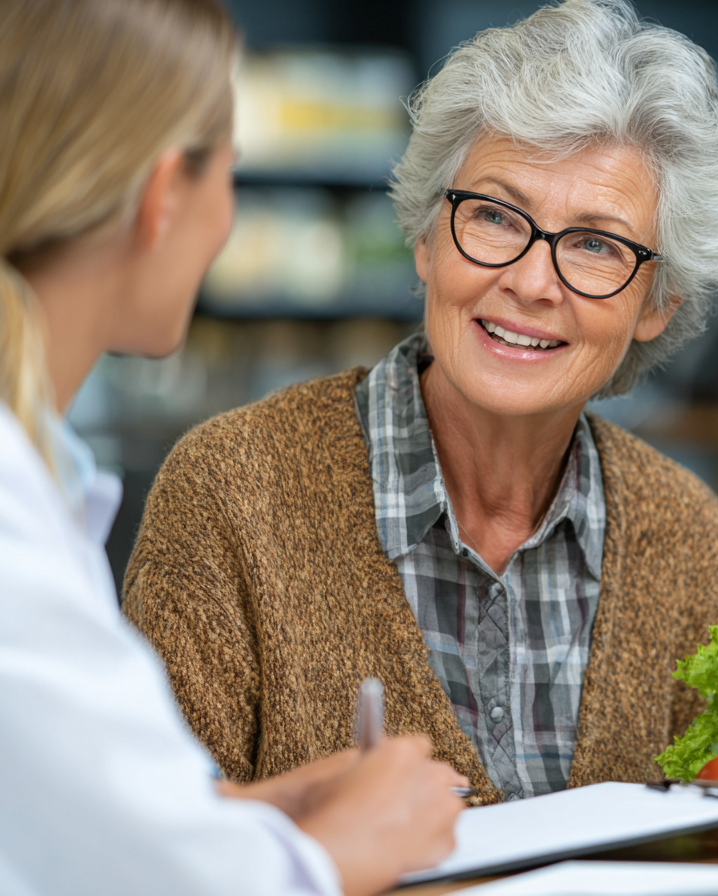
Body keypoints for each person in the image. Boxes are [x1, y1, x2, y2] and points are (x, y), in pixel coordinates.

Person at [123, 0, 718, 803]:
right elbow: (146, 846)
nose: (529, 280)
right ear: (425, 238)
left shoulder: (691, 543)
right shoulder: (228, 492)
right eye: (493, 215)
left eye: (595, 244)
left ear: (657, 301)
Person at [0, 1, 467, 894]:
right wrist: (333, 851)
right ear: (164, 193)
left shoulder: (35, 479)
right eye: (231, 178)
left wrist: (232, 817)